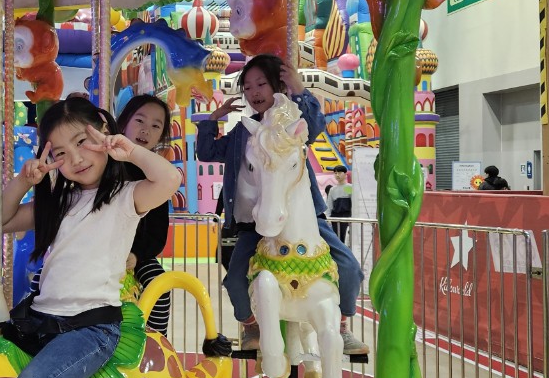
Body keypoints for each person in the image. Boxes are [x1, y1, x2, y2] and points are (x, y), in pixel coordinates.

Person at [1, 97, 181, 378]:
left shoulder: (126, 197)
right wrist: (23, 181)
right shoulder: (59, 202)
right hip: (41, 321)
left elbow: (169, 180)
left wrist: (129, 150)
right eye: (60, 153)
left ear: (103, 132)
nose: (76, 158)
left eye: (83, 142)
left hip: (90, 329)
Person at [195, 54, 367, 356]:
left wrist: (299, 89)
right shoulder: (244, 132)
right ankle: (251, 326)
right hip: (255, 222)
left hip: (302, 219)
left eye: (261, 84)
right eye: (247, 87)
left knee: (349, 267)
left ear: (277, 85)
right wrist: (213, 120)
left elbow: (314, 126)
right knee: (235, 279)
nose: (254, 92)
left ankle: (341, 325)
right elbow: (208, 152)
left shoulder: (291, 122)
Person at [116, 94, 173, 334]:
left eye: (155, 126)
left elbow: (157, 234)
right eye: (139, 120)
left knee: (158, 285)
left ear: (161, 136)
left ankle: (157, 340)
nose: (145, 130)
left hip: (136, 255)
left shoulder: (157, 175)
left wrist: (137, 255)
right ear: (124, 122)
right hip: (98, 247)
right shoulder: (106, 165)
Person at [327, 164, 352, 242]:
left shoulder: (349, 187)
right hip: (335, 217)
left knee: (346, 238)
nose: (337, 175)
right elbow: (329, 205)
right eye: (335, 173)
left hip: (347, 217)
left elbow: (352, 203)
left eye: (339, 173)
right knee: (336, 239)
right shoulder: (332, 190)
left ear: (345, 174)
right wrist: (328, 218)